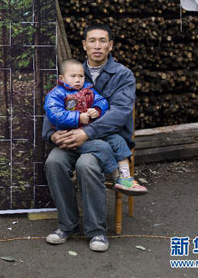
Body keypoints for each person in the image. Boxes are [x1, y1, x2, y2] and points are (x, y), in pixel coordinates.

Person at [43, 23, 144, 252]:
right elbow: (53, 103)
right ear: (84, 45)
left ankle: (97, 231)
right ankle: (67, 225)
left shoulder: (122, 75)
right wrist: (50, 134)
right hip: (71, 136)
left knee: (86, 164)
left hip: (106, 141)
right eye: (92, 40)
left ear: (110, 46)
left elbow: (119, 113)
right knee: (54, 161)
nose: (97, 45)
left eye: (102, 41)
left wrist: (86, 132)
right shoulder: (75, 70)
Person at [44, 59, 147, 194]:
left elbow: (102, 101)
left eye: (80, 76)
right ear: (62, 78)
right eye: (73, 76)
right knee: (102, 147)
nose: (77, 80)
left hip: (91, 132)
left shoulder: (88, 90)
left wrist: (97, 110)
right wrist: (77, 118)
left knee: (118, 140)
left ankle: (126, 177)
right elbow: (54, 113)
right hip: (71, 135)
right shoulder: (57, 93)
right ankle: (116, 176)